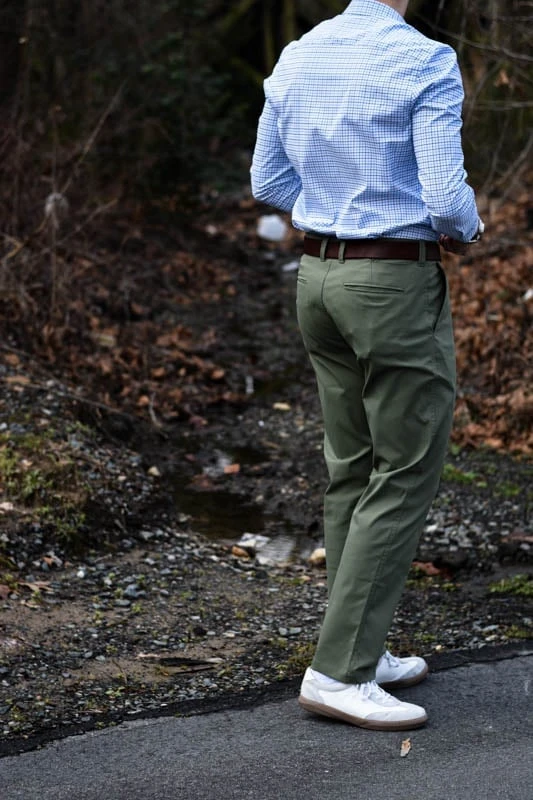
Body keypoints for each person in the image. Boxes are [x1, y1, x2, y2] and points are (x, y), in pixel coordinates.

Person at [251, 0, 484, 731]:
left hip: (317, 278)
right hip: (390, 282)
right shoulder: (422, 60)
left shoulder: (298, 55)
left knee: (352, 465)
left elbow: (266, 182)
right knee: (404, 469)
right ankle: (338, 671)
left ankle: (358, 642)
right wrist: (467, 228)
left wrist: (331, 210)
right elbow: (446, 200)